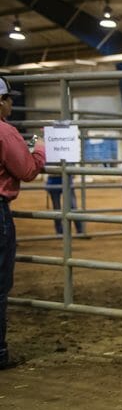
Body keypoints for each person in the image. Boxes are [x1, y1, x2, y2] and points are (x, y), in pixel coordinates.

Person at [0, 76, 45, 370]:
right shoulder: (5, 132)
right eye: (9, 99)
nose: (11, 104)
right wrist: (40, 148)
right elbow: (27, 170)